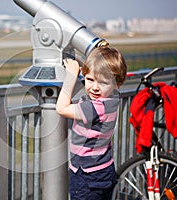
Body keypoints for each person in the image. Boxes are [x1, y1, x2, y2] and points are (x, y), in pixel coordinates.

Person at [56, 46, 127, 200]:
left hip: (87, 175)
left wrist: (71, 76)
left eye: (103, 83)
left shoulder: (95, 108)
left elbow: (61, 108)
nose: (95, 87)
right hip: (105, 168)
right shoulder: (112, 98)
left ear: (116, 84)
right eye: (90, 80)